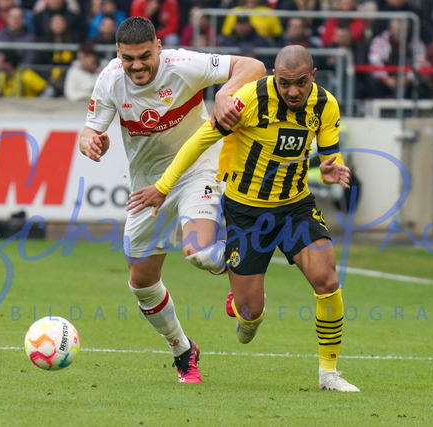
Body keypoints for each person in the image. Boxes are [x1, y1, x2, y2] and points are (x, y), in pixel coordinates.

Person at [127, 45, 359, 392]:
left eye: (300, 82)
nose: (292, 91)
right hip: (246, 213)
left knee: (326, 279)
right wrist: (162, 187)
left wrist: (330, 170)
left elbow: (329, 158)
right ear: (274, 76)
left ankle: (329, 374)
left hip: (295, 206)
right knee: (249, 318)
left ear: (313, 76)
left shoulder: (325, 105)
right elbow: (198, 141)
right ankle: (242, 306)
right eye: (284, 83)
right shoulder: (249, 100)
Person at [78, 17, 265, 383]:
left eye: (144, 56)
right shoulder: (110, 79)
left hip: (197, 171)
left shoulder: (183, 65)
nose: (137, 66)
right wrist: (90, 142)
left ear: (159, 47)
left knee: (198, 251)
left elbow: (254, 67)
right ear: (118, 53)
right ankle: (183, 350)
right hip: (148, 187)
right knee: (142, 282)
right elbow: (89, 132)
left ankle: (239, 265)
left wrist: (225, 92)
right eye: (128, 58)